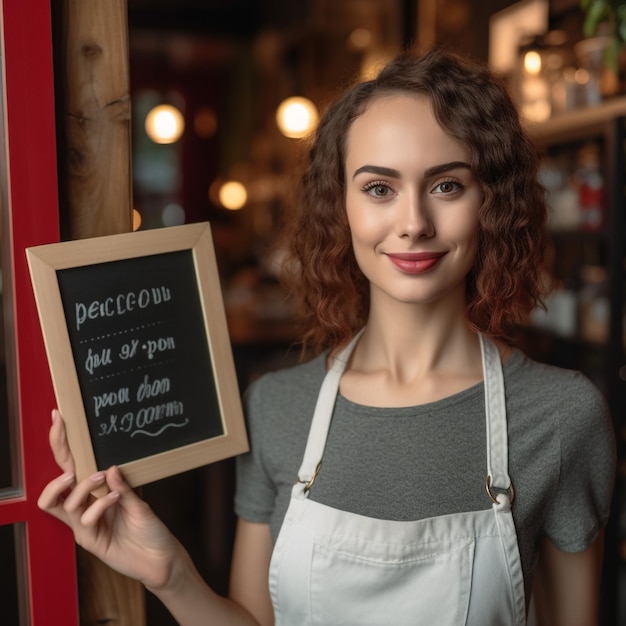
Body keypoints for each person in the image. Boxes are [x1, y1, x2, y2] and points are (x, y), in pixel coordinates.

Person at [39, 48, 615, 625]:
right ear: (339, 206)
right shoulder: (276, 406)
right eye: (379, 189)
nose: (413, 222)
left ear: (491, 202)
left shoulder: (562, 416)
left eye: (446, 186)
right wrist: (171, 576)